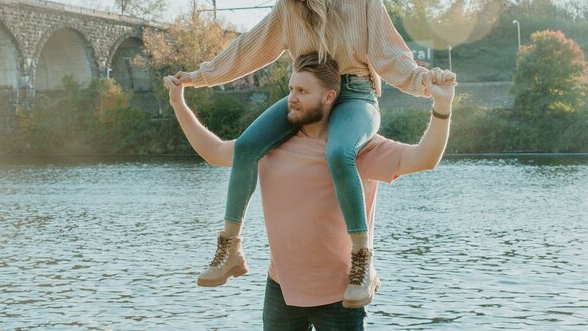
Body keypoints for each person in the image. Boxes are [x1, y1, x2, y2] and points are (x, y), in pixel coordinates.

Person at [169, 0, 455, 305]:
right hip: (309, 95)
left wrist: (425, 83)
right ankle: (231, 247)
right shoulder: (288, 9)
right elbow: (248, 48)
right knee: (248, 145)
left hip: (354, 95)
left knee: (340, 152)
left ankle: (361, 258)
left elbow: (389, 55)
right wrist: (199, 77)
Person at [164, 53, 455, 329]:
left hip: (340, 295)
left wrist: (442, 108)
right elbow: (214, 152)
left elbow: (424, 159)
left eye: (303, 91)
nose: (292, 98)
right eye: (291, 89)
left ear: (329, 97)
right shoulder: (269, 144)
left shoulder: (356, 148)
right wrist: (178, 102)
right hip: (281, 288)